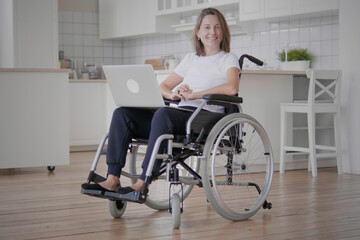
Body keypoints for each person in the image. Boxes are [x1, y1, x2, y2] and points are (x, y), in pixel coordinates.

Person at [81, 7, 240, 194]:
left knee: (162, 114)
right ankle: (112, 178)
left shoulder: (228, 59)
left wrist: (194, 94)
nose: (212, 32)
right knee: (122, 114)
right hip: (179, 114)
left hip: (203, 118)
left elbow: (232, 88)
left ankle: (144, 181)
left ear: (223, 32)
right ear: (197, 33)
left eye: (217, 27)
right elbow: (163, 87)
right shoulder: (191, 59)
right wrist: (174, 95)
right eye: (206, 27)